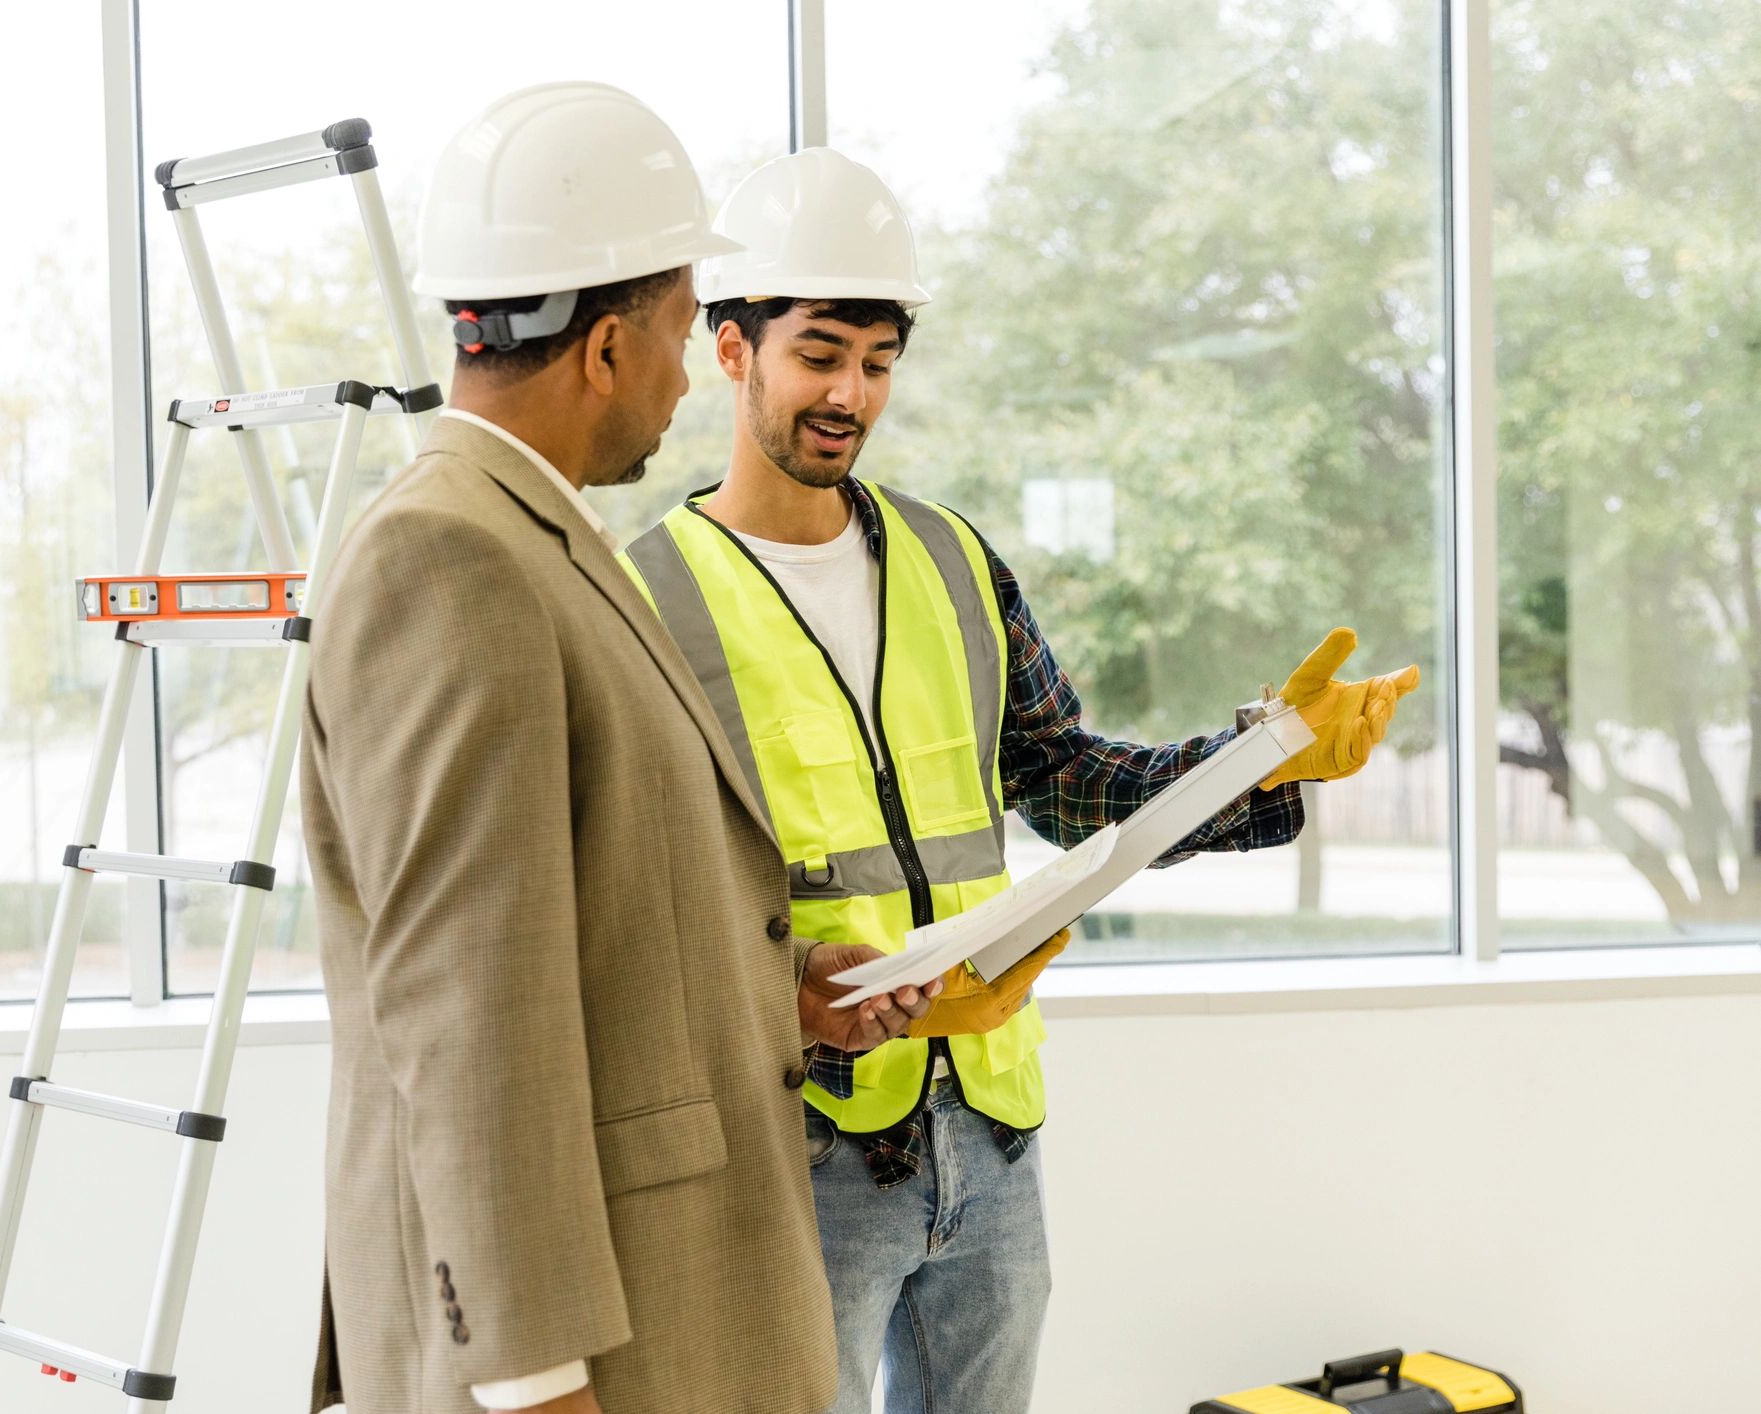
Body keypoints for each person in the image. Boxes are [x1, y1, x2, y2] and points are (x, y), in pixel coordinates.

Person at [619, 147, 1419, 1413]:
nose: (850, 394)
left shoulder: (950, 557)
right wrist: (786, 994)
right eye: (819, 355)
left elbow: (1065, 777)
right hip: (804, 1136)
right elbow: (636, 900)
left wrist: (1267, 753)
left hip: (987, 1123)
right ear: (732, 349)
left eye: (878, 362)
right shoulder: (645, 597)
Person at [300, 89, 940, 1414]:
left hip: (666, 1306)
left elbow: (585, 920)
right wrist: (534, 1379)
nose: (684, 371)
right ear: (604, 346)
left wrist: (783, 987)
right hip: (588, 1352)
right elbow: (462, 1016)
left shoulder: (533, 536)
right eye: (678, 325)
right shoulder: (449, 556)